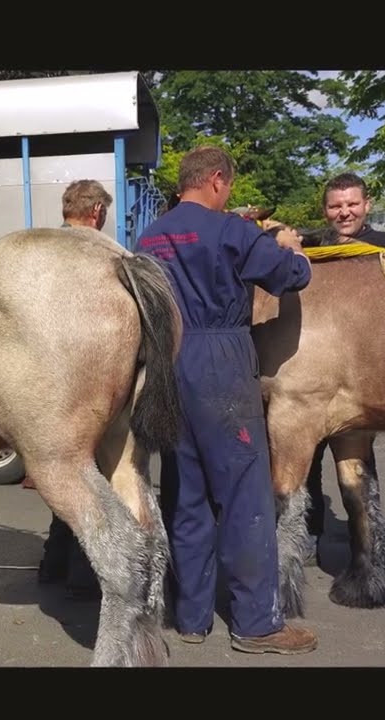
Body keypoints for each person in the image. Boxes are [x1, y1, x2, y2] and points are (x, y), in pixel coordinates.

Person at [136, 145, 318, 655]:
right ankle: (257, 623)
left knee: (185, 493)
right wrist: (290, 248)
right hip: (221, 360)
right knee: (244, 494)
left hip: (168, 364)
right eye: (229, 186)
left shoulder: (148, 236)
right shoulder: (233, 230)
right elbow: (290, 276)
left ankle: (192, 617)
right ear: (217, 179)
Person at [303, 172, 385, 562]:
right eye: (336, 206)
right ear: (325, 210)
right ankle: (309, 537)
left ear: (367, 205)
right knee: (305, 462)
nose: (344, 212)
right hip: (314, 370)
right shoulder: (312, 245)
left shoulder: (383, 247)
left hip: (358, 376)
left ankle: (366, 538)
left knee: (356, 463)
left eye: (352, 204)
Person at [33, 179, 111, 600]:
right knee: (88, 476)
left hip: (44, 382)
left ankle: (53, 563)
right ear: (97, 211)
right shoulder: (95, 254)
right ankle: (84, 573)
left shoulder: (39, 251)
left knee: (62, 476)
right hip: (84, 378)